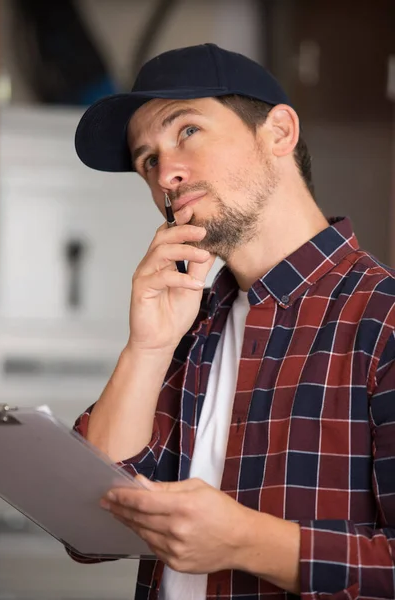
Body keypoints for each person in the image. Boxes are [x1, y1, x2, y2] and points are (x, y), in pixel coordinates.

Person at [70, 43, 395, 600]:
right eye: (148, 160)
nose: (166, 173)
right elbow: (89, 531)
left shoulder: (384, 321)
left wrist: (247, 542)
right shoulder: (190, 327)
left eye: (187, 132)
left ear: (279, 133)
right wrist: (146, 348)